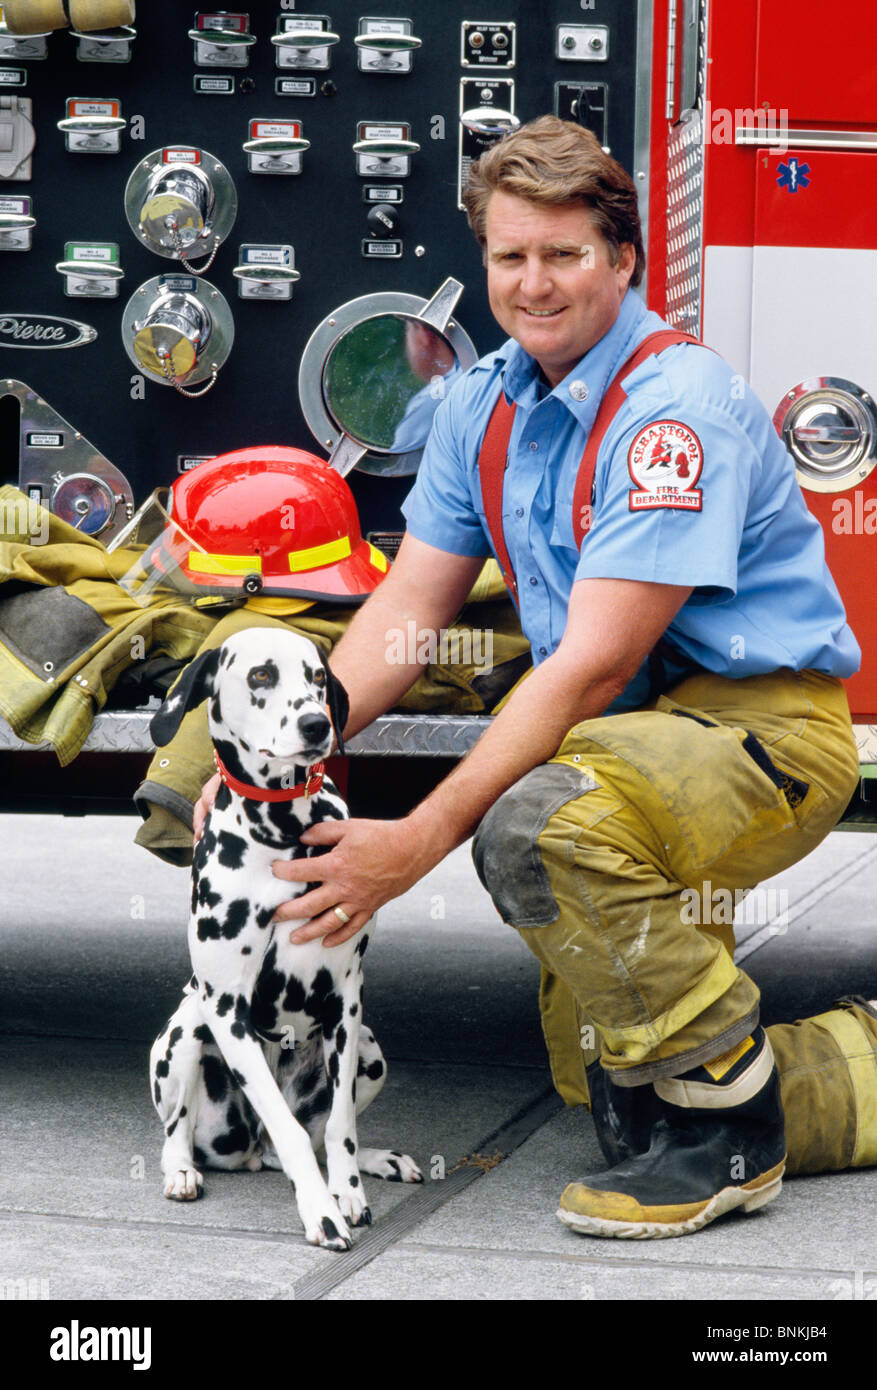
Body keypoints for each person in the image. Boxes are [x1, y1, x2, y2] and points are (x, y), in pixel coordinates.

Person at [195, 117, 867, 1238]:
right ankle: (781, 1069)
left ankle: (730, 1139)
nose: (533, 282)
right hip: (632, 736)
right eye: (510, 256)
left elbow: (593, 660)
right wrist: (291, 747)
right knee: (605, 1081)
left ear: (624, 261)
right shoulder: (481, 403)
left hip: (761, 733)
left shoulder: (673, 410)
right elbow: (408, 616)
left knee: (533, 826)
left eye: (563, 255)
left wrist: (418, 840)